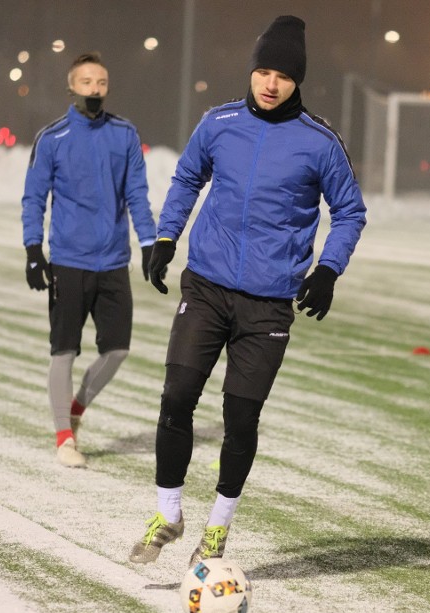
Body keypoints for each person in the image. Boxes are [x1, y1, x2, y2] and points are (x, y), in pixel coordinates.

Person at [129, 16, 367, 565]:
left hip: (267, 303)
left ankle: (217, 527)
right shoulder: (219, 122)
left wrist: (328, 269)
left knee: (240, 420)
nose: (270, 83)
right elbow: (188, 177)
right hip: (207, 287)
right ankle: (168, 512)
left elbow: (350, 211)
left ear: (296, 81)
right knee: (176, 398)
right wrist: (168, 236)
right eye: (263, 70)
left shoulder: (320, 142)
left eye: (282, 75)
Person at [21, 51, 157, 468]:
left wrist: (150, 243)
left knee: (117, 350)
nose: (94, 89)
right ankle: (65, 438)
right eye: (86, 82)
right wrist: (32, 250)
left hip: (114, 261)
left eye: (100, 82)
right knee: (64, 351)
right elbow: (34, 197)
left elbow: (136, 192)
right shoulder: (53, 137)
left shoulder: (124, 134)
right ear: (71, 86)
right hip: (68, 261)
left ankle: (75, 408)